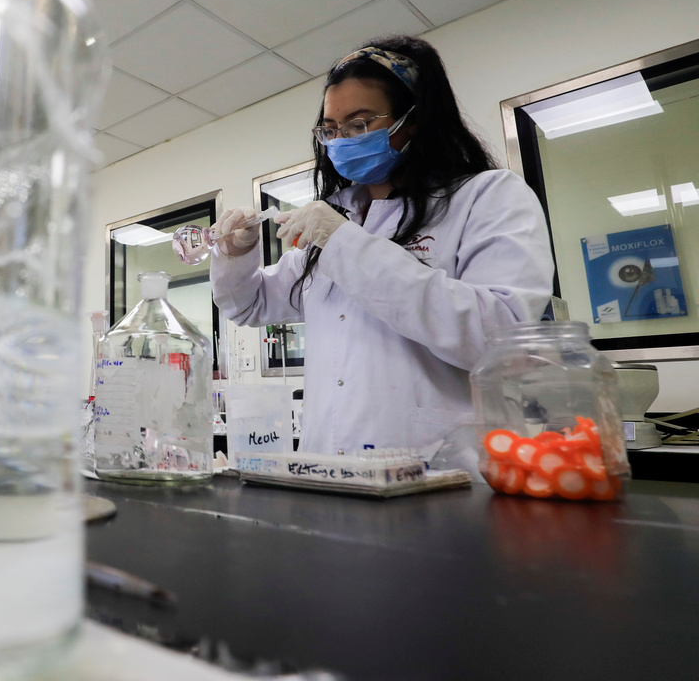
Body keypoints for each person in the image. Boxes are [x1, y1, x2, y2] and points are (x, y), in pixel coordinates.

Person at [211, 35, 553, 455]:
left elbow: (500, 337)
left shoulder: (487, 197)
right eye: (331, 129)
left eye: (359, 124)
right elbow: (250, 305)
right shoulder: (340, 216)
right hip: (327, 467)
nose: (341, 140)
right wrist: (236, 253)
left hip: (437, 463)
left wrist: (343, 243)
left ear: (414, 119)